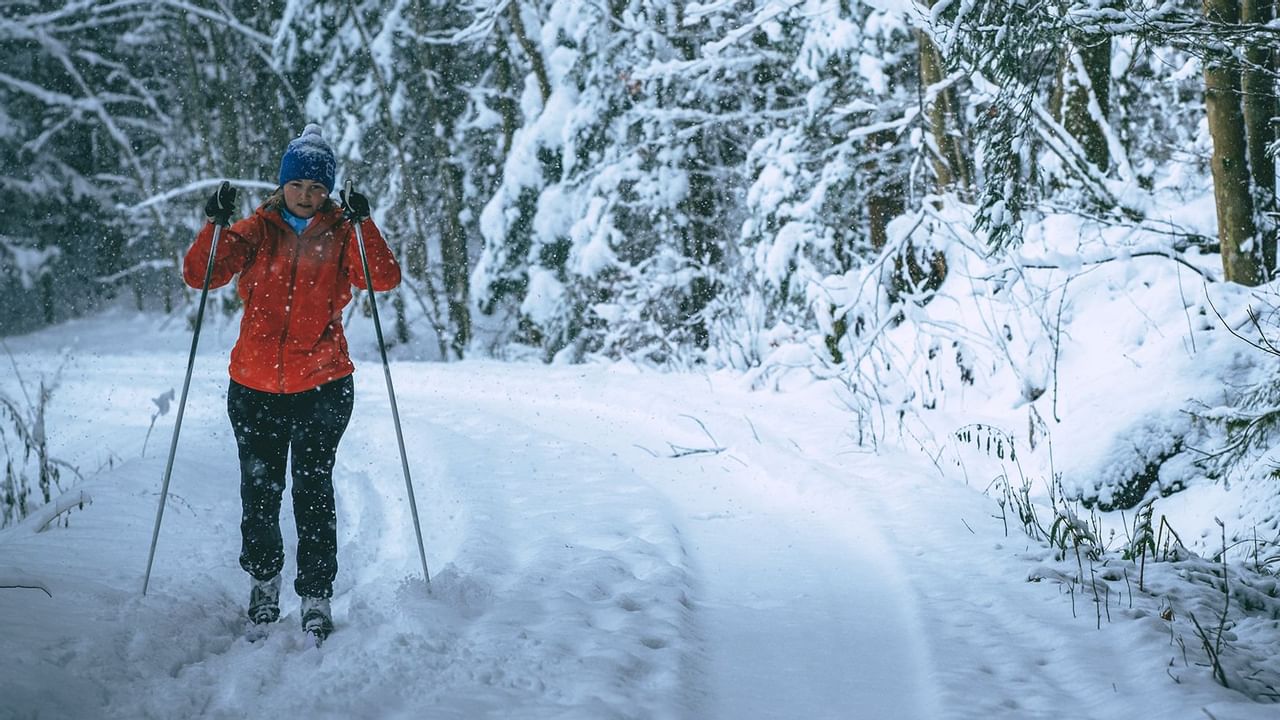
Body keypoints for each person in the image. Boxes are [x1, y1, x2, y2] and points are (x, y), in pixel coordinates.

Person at [183, 124, 401, 642]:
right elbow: (202, 275)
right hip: (255, 387)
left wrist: (364, 222)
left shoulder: (343, 233)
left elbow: (383, 277)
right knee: (259, 491)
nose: (307, 195)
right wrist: (214, 225)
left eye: (318, 188)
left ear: (328, 192)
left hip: (323, 385)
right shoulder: (257, 231)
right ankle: (263, 582)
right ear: (282, 185)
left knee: (312, 491)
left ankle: (316, 595)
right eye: (299, 185)